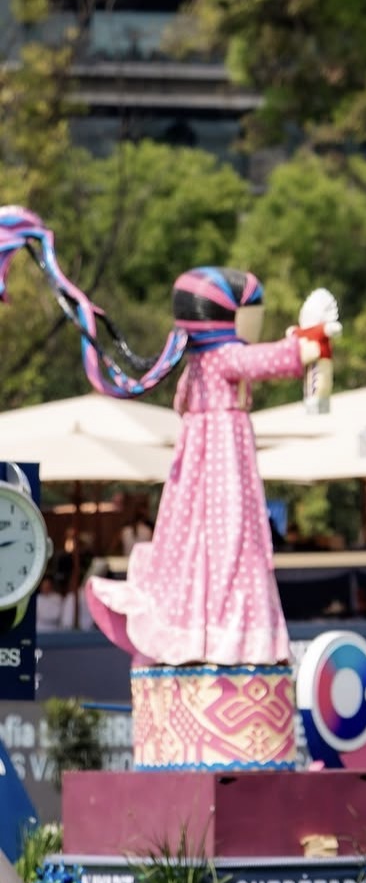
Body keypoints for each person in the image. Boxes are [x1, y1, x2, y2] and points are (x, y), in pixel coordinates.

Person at [86, 267, 337, 664]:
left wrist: (303, 341)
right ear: (229, 315)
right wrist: (311, 340)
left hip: (202, 459)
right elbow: (269, 360)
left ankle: (202, 630)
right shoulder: (222, 359)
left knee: (204, 537)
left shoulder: (199, 366)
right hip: (223, 454)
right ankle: (226, 633)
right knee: (231, 536)